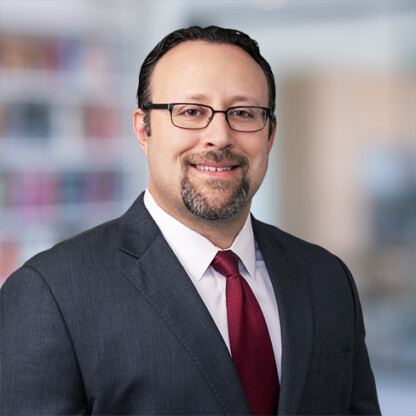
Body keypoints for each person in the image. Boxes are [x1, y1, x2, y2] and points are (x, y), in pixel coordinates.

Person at [1, 26, 380, 415]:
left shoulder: (327, 277)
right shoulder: (50, 295)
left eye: (244, 113)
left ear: (269, 135)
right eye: (191, 112)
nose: (219, 136)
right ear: (143, 129)